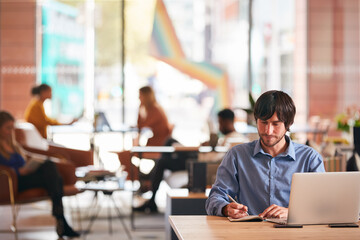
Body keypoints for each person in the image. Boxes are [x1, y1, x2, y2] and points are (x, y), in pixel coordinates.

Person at [206, 90, 325, 220]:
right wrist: (226, 208)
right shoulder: (237, 155)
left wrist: (291, 212)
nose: (268, 131)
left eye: (276, 124)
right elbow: (215, 197)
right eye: (263, 122)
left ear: (288, 124)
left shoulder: (309, 158)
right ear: (256, 121)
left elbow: (322, 205)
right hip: (249, 233)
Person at [135, 108, 246, 213]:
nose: (219, 126)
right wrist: (209, 146)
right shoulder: (228, 137)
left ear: (227, 122)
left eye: (220, 123)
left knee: (163, 161)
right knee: (170, 142)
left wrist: (207, 150)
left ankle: (150, 186)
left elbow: (217, 158)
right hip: (198, 157)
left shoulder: (234, 139)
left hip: (199, 163)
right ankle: (150, 181)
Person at [0, 111, 79, 238]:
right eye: (7, 128)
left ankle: (60, 218)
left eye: (12, 128)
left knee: (49, 167)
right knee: (55, 178)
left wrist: (32, 165)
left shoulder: (13, 145)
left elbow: (26, 158)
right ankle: (61, 219)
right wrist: (17, 172)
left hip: (26, 177)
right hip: (11, 183)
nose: (10, 131)